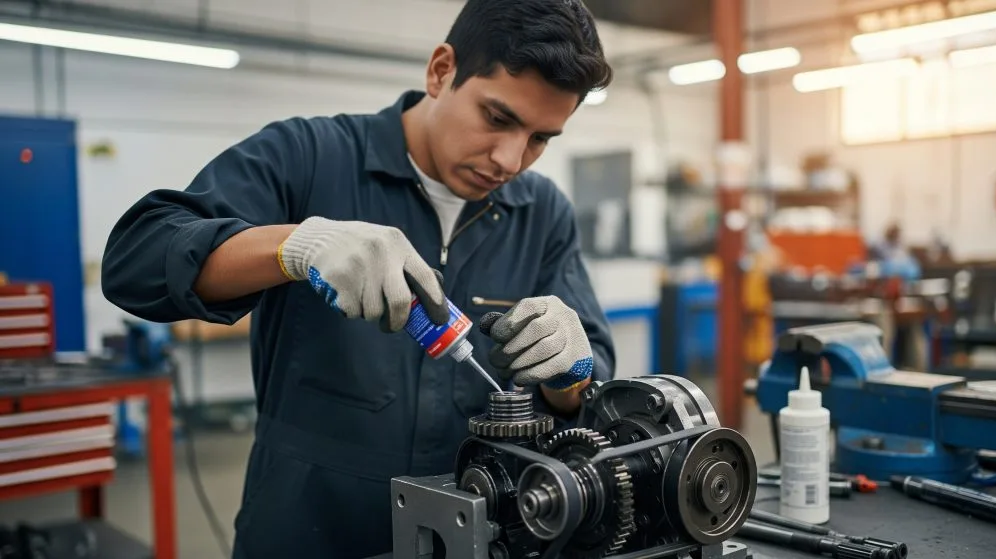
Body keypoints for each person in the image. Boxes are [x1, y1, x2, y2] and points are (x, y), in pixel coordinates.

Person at [100, 1, 616, 557]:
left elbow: (586, 397)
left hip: (480, 534)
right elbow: (135, 261)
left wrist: (570, 374)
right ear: (441, 70)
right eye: (498, 118)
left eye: (541, 138)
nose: (511, 160)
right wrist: (292, 246)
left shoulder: (543, 213)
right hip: (308, 530)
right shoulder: (309, 158)